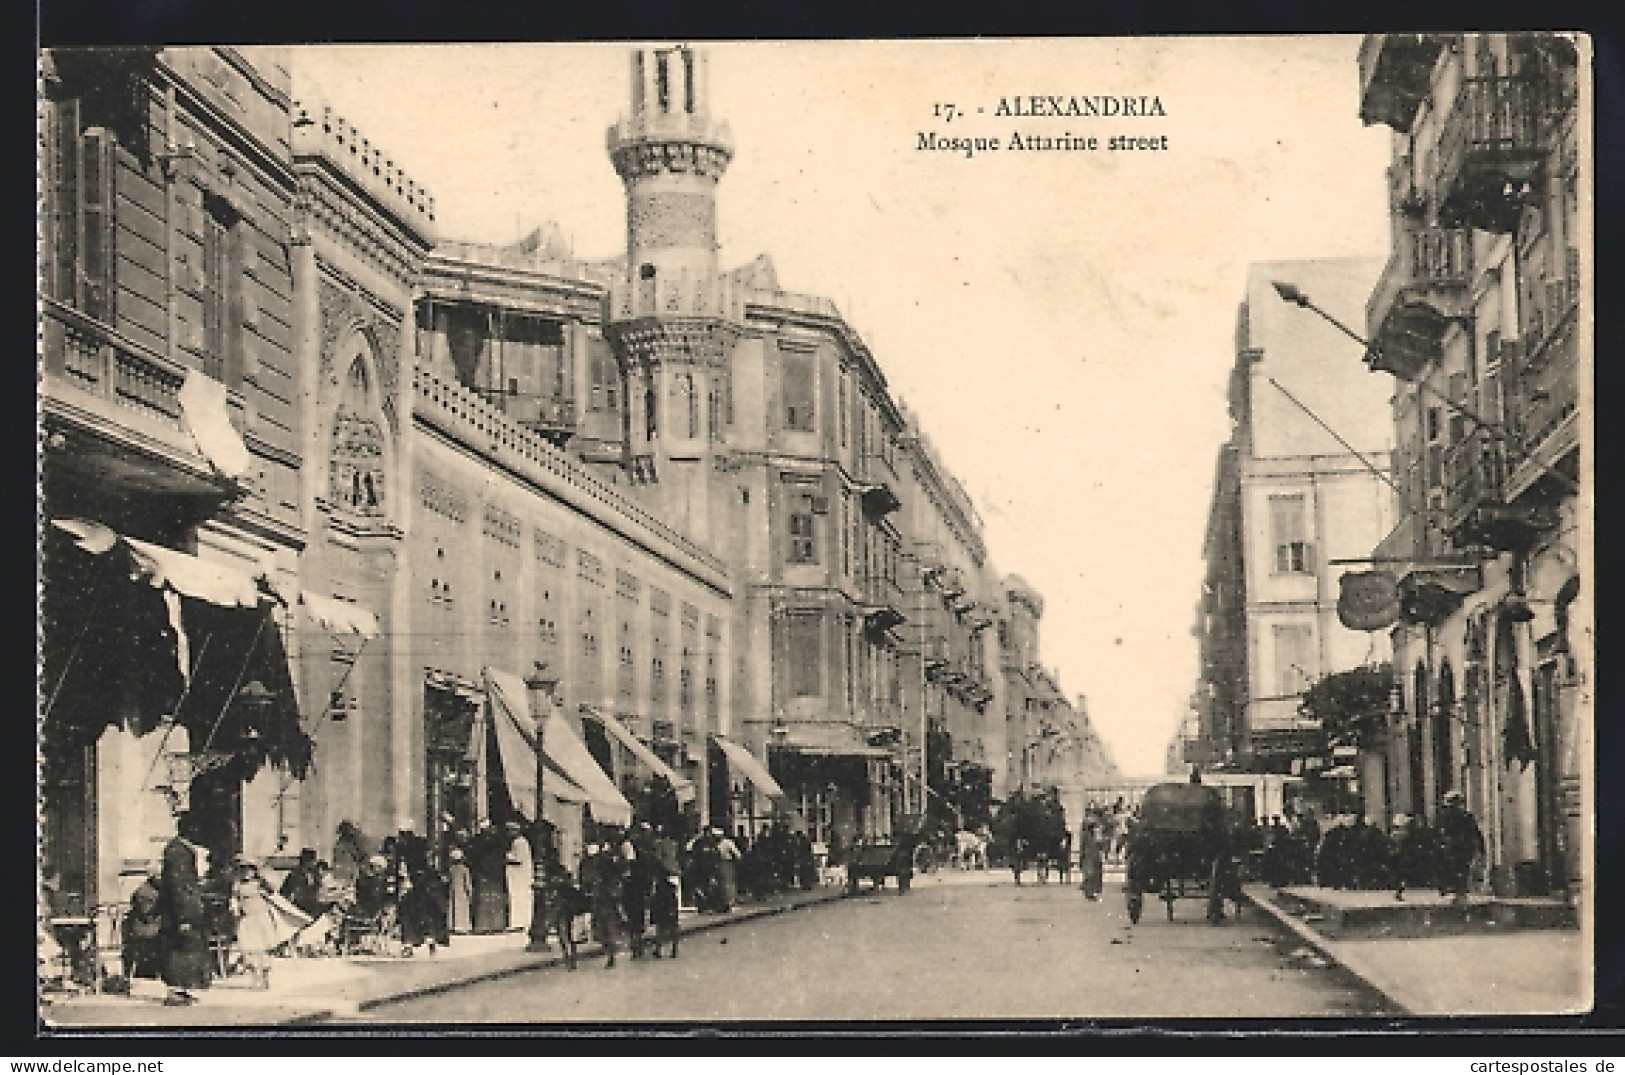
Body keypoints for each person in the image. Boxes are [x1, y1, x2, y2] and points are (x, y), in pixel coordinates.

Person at [158, 811, 213, 1005]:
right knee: (178, 949)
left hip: (182, 910)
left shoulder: (182, 850)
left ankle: (181, 989)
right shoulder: (178, 852)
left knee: (185, 949)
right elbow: (179, 886)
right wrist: (185, 917)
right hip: (178, 913)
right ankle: (174, 992)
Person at [231, 856, 308, 989]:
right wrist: (235, 908)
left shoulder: (260, 884)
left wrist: (264, 879)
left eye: (249, 870)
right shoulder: (237, 885)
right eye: (243, 870)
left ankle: (265, 978)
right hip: (247, 919)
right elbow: (234, 899)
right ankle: (255, 978)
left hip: (261, 918)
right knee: (249, 949)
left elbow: (273, 892)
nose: (246, 873)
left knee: (263, 950)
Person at [1436, 790, 1485, 904]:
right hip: (1458, 848)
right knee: (1458, 870)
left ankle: (1456, 892)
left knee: (1457, 869)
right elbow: (1476, 833)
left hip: (1456, 848)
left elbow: (1475, 833)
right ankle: (1457, 892)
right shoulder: (1459, 816)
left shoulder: (1449, 817)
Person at [121, 873, 164, 981]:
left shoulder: (146, 890)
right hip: (146, 930)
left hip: (142, 929)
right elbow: (146, 914)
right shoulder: (148, 893)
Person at [279, 849, 325, 920]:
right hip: (300, 907)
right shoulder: (295, 874)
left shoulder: (314, 874)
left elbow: (319, 888)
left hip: (313, 905)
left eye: (314, 860)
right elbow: (283, 893)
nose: (314, 862)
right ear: (306, 861)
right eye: (313, 860)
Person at [446, 845, 474, 934]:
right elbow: (468, 882)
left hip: (453, 891)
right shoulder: (465, 869)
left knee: (454, 908)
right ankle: (463, 927)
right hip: (462, 892)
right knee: (463, 909)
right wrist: (470, 892)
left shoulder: (451, 869)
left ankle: (454, 926)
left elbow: (448, 880)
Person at [1077, 822, 1104, 901]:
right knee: (1090, 875)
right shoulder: (1085, 835)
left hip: (1094, 857)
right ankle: (1089, 892)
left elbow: (1100, 845)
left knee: (1094, 875)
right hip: (1088, 857)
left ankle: (1091, 892)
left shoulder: (1095, 836)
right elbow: (1083, 846)